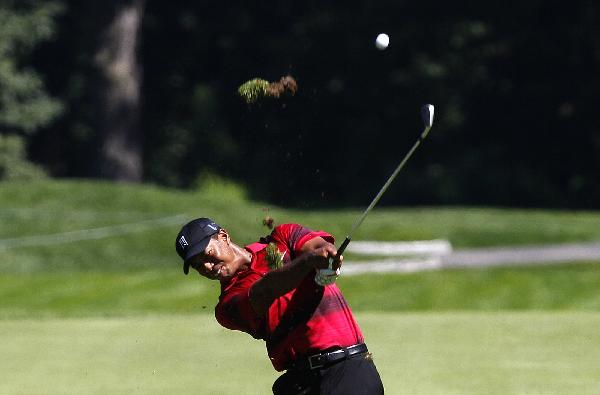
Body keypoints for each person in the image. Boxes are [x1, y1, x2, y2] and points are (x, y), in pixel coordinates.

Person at [175, 217, 384, 394]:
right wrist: (308, 262)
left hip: (347, 372)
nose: (206, 266)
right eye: (196, 265)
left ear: (223, 236)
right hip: (299, 384)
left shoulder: (283, 237)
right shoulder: (227, 307)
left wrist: (327, 258)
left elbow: (318, 247)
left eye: (206, 254)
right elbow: (264, 291)